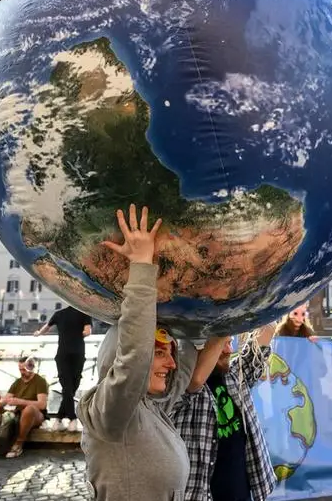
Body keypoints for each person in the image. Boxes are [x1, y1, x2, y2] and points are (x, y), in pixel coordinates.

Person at [76, 204, 223, 501]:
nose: (171, 364)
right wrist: (141, 264)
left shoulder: (151, 408)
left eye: (169, 354)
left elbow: (182, 373)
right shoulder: (112, 414)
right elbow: (134, 359)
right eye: (159, 353)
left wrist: (223, 319)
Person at [169, 325, 277, 501]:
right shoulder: (178, 388)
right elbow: (196, 380)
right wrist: (221, 322)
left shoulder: (235, 376)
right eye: (222, 344)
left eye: (229, 343)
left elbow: (267, 331)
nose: (229, 350)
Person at [0, 357, 49, 459]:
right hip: (17, 412)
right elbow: (6, 399)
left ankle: (18, 444)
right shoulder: (17, 382)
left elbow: (42, 404)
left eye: (24, 370)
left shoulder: (40, 381)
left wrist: (20, 401)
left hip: (36, 414)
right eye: (20, 369)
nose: (22, 372)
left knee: (29, 409)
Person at [35, 304, 93, 432]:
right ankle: (72, 418)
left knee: (67, 387)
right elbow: (87, 332)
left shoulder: (59, 314)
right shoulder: (84, 312)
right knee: (73, 386)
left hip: (62, 354)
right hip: (78, 354)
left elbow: (46, 327)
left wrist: (38, 333)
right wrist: (77, 334)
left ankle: (59, 418)